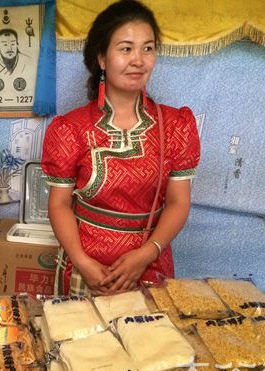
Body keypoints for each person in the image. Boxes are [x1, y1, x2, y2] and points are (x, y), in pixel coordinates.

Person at [41, 0, 200, 296]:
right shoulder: (70, 129)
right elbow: (59, 204)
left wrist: (146, 254)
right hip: (86, 268)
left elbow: (178, 202)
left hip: (150, 265)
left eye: (147, 48)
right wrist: (81, 261)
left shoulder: (176, 126)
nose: (138, 60)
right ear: (102, 58)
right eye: (126, 49)